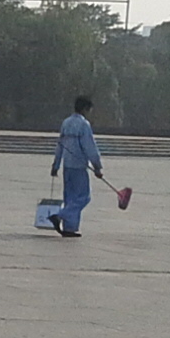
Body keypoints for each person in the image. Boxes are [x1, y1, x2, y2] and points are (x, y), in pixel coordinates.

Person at [50, 95, 105, 237]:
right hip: (79, 167)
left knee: (70, 198)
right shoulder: (83, 125)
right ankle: (60, 215)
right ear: (85, 109)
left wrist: (56, 164)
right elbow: (90, 147)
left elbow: (60, 145)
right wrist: (97, 166)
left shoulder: (66, 123)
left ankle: (70, 228)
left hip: (67, 166)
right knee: (83, 197)